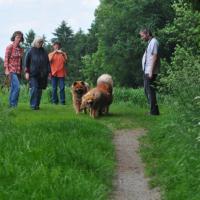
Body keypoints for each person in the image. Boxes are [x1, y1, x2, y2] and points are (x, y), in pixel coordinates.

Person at [24, 36, 50, 110]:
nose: (40, 43)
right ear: (35, 42)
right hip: (33, 74)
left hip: (42, 74)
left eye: (42, 42)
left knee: (39, 90)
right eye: (39, 42)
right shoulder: (30, 51)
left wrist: (49, 73)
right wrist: (26, 72)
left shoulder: (44, 51)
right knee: (34, 88)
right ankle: (33, 105)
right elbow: (26, 63)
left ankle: (37, 105)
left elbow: (47, 63)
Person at [139, 28, 160, 115]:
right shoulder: (150, 42)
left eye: (142, 35)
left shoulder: (154, 42)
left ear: (147, 34)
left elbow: (155, 56)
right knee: (147, 91)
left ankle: (153, 112)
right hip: (147, 70)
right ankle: (153, 110)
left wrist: (151, 71)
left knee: (150, 91)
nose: (142, 38)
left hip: (150, 71)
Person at [4, 31, 24, 107]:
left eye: (20, 37)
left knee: (13, 88)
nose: (19, 39)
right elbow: (6, 59)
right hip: (11, 70)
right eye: (17, 37)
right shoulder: (9, 47)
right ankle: (13, 104)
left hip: (18, 71)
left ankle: (12, 105)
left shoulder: (21, 49)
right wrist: (6, 70)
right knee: (17, 87)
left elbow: (21, 61)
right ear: (14, 38)